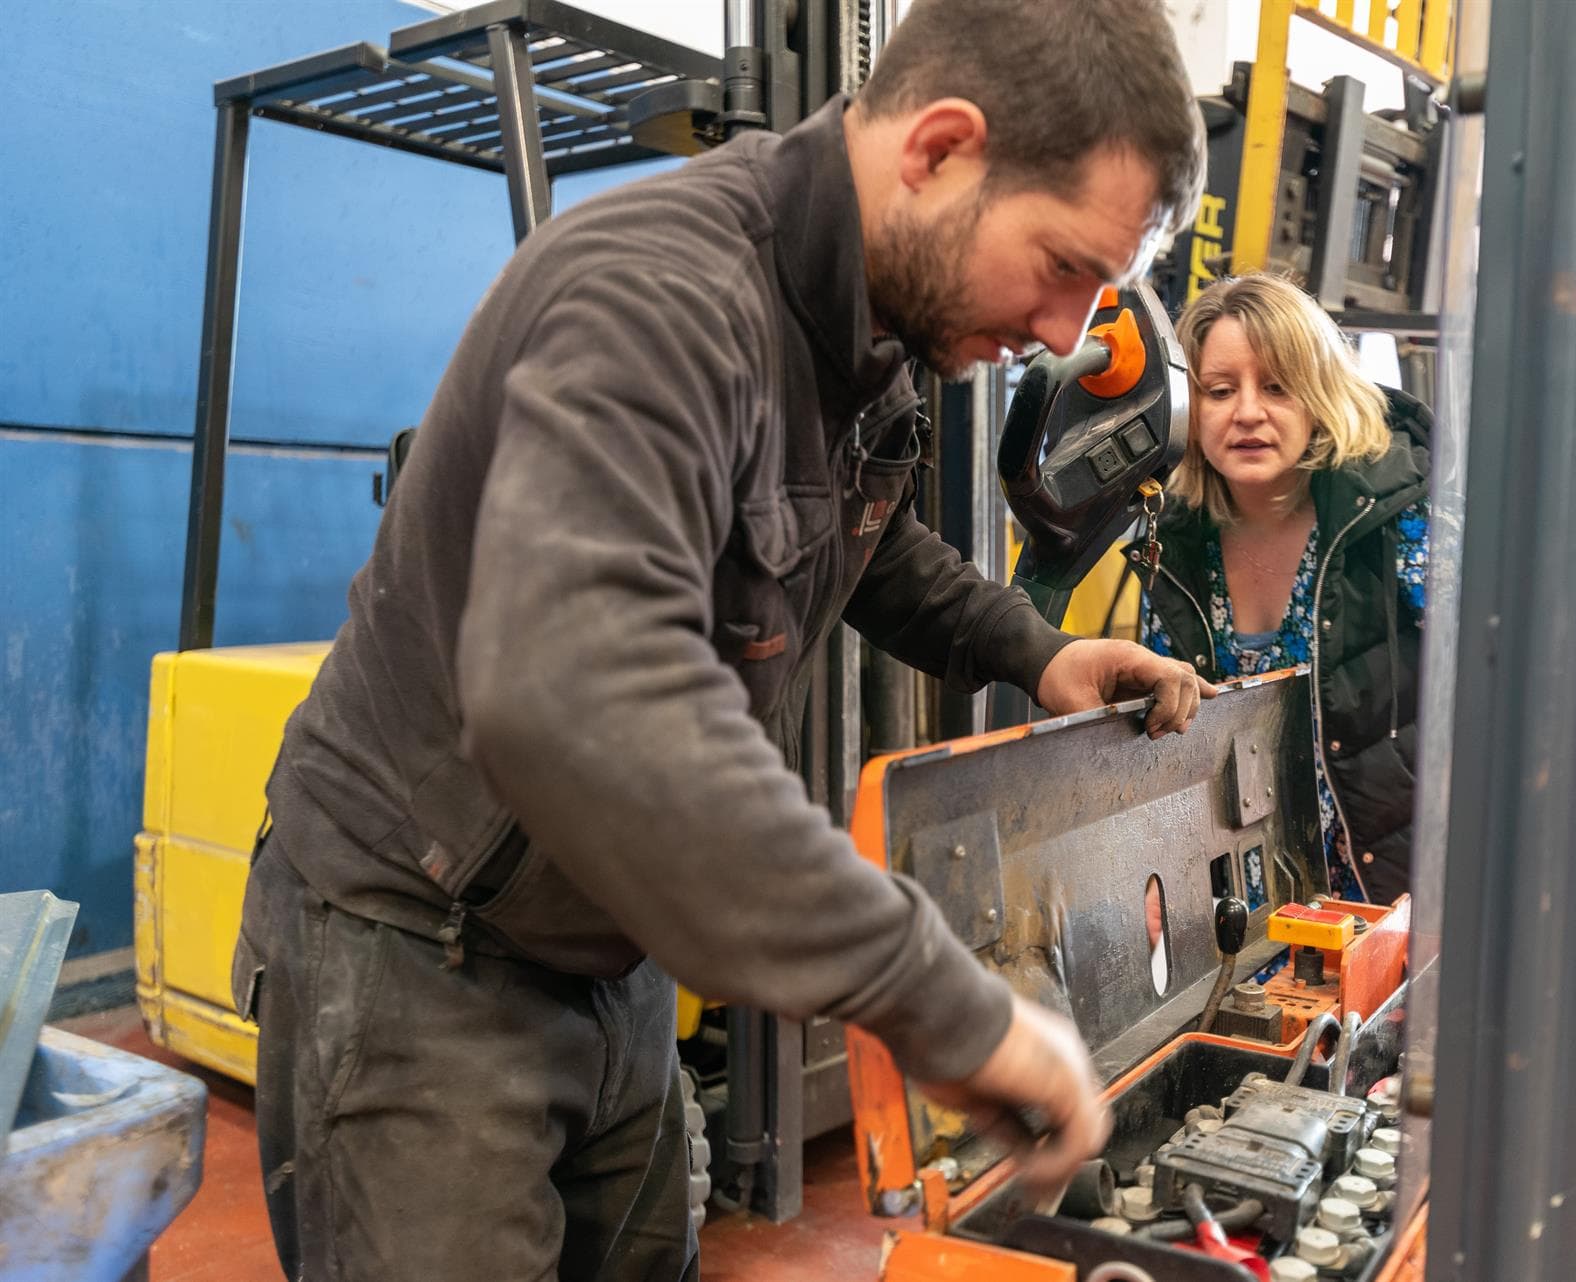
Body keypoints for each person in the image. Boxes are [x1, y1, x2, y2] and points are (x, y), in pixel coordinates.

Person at [229, 2, 1210, 1278]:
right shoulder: (663, 300)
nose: (1069, 334)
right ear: (942, 151)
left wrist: (1032, 649)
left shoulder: (872, 334)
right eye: (1067, 266)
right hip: (418, 944)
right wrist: (941, 1003)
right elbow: (585, 699)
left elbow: (859, 535)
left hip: (606, 949)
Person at [1132, 273, 1431, 904]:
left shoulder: (1400, 519)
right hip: (1240, 902)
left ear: (1319, 394)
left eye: (1276, 386)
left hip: (1388, 895)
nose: (1247, 412)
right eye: (1219, 390)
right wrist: (1156, 882)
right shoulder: (1173, 542)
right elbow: (1164, 741)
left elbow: (1491, 708)